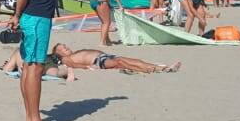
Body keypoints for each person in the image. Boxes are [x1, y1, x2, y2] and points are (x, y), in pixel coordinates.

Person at [51, 42, 181, 74]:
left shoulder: (75, 52)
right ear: (59, 54)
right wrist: (86, 67)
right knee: (120, 62)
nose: (66, 47)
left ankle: (158, 67)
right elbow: (72, 64)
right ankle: (152, 69)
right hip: (97, 61)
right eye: (62, 48)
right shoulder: (65, 59)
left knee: (128, 60)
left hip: (104, 56)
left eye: (65, 45)